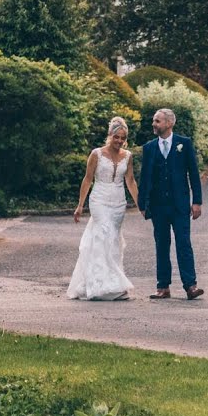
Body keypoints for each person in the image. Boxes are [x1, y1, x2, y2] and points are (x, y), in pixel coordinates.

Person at [67, 116, 139, 301]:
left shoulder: (128, 156)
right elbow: (87, 179)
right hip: (99, 200)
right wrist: (80, 205)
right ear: (110, 135)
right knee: (102, 235)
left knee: (113, 239)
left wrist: (140, 204)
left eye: (123, 138)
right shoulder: (96, 154)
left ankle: (114, 284)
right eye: (117, 137)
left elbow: (130, 181)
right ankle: (97, 284)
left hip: (118, 202)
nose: (119, 141)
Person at [137, 108, 204, 300]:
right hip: (158, 206)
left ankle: (191, 286)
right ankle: (163, 287)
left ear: (169, 123)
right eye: (154, 121)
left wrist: (197, 201)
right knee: (162, 244)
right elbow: (145, 177)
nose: (154, 124)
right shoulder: (149, 147)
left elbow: (194, 174)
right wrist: (143, 203)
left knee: (183, 243)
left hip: (180, 204)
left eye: (157, 121)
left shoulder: (184, 143)